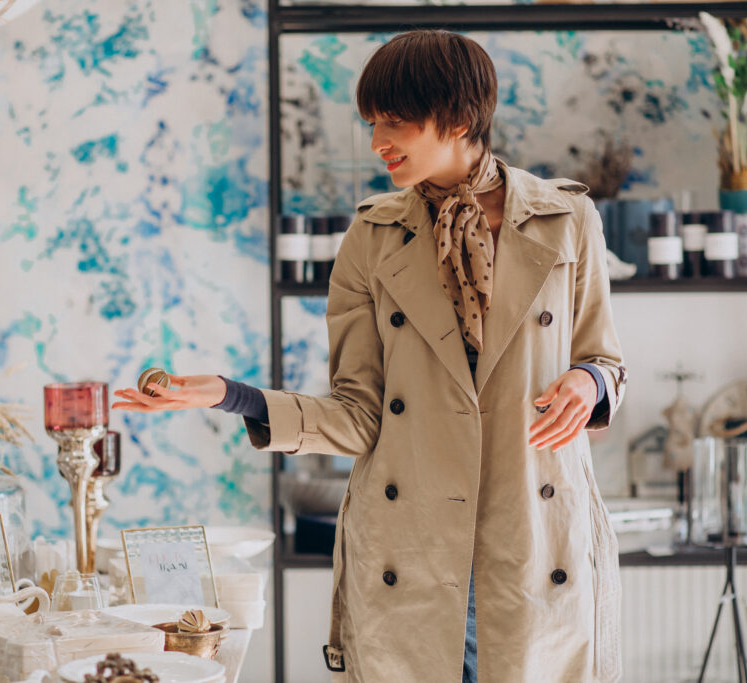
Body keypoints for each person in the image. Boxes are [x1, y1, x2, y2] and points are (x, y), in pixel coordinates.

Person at [113, 29, 627, 683]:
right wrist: (230, 394)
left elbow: (605, 357)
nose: (377, 141)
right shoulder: (372, 237)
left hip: (533, 542)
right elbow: (359, 413)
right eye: (372, 122)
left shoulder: (568, 220)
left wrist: (587, 381)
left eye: (395, 122)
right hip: (413, 555)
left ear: (461, 119)